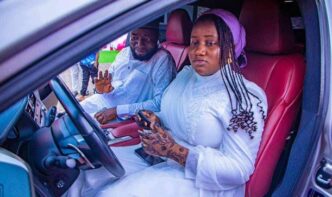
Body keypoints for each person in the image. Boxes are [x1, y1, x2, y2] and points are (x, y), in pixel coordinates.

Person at [66, 9, 267, 197]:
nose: (199, 51)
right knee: (87, 173)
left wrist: (175, 152)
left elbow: (239, 169)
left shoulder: (244, 97)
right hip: (160, 158)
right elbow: (168, 112)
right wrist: (155, 120)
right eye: (194, 43)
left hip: (205, 183)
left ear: (230, 49)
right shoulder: (186, 77)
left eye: (210, 43)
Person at [80, 21, 176, 123]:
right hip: (101, 101)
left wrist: (117, 111)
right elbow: (108, 85)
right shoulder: (124, 53)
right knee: (72, 113)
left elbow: (159, 103)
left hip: (123, 117)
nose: (139, 44)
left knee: (77, 126)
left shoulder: (162, 60)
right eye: (134, 37)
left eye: (146, 39)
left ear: (157, 37)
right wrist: (101, 90)